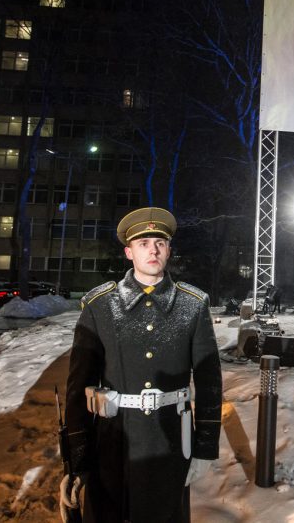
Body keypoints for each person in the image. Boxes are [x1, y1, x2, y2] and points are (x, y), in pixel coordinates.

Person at [62, 207, 222, 523]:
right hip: (111, 443)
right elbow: (78, 385)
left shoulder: (192, 305)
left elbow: (209, 381)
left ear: (169, 250)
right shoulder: (100, 305)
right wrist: (77, 457)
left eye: (160, 242)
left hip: (169, 445)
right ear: (128, 252)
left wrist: (205, 446)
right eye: (144, 242)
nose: (153, 249)